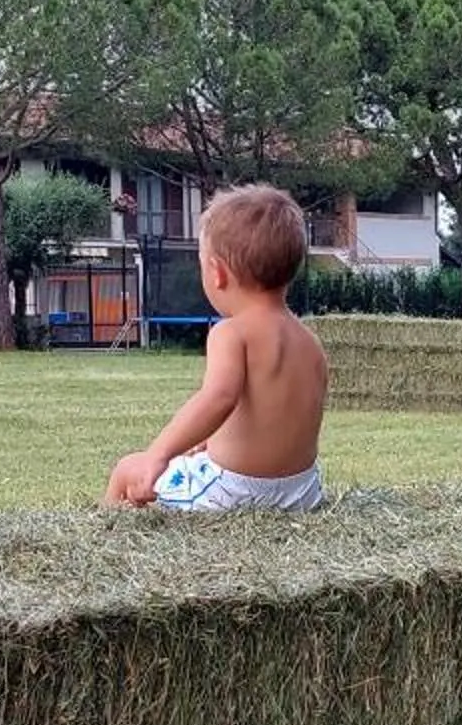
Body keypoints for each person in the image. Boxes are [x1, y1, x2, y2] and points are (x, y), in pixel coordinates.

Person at [105, 183, 329, 513]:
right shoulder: (310, 342)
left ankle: (110, 532)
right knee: (195, 457)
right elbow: (279, 413)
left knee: (127, 468)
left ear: (217, 272)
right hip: (302, 491)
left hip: (236, 491)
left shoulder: (231, 333)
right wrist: (211, 441)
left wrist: (158, 454)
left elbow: (218, 398)